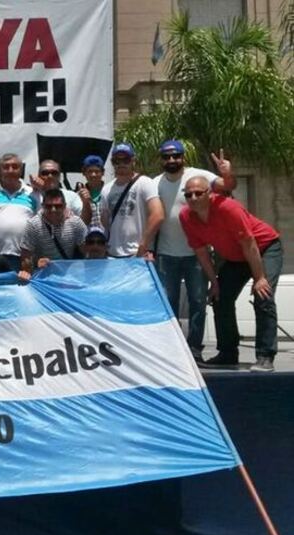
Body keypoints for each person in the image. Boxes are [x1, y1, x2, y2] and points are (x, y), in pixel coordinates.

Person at [179, 175, 282, 372]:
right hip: (236, 258)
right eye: (188, 194)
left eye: (198, 193)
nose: (193, 198)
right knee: (220, 298)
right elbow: (201, 253)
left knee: (263, 296)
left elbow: (249, 243)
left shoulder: (228, 208)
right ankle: (228, 353)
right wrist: (214, 283)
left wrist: (259, 278)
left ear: (210, 194)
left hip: (264, 248)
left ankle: (265, 356)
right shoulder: (186, 216)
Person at [153, 139, 236, 362]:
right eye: (167, 157)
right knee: (167, 303)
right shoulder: (155, 183)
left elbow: (227, 187)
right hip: (166, 255)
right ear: (161, 160)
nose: (171, 160)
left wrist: (227, 173)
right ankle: (173, 349)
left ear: (183, 158)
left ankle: (195, 349)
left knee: (198, 302)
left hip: (196, 255)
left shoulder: (199, 176)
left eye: (176, 156)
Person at [100, 144, 163, 259]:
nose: (121, 164)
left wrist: (143, 246)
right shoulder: (106, 189)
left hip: (138, 254)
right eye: (117, 161)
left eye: (125, 160)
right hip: (112, 254)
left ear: (133, 160)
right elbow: (105, 222)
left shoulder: (145, 183)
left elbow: (158, 215)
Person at [19, 189, 87, 281]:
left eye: (58, 206)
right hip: (43, 275)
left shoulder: (75, 223)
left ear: (64, 206)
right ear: (42, 206)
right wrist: (35, 263)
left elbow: (86, 252)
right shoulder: (33, 225)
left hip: (69, 276)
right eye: (48, 206)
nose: (53, 210)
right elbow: (26, 256)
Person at [77, 155, 107, 227]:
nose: (93, 175)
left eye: (97, 171)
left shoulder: (109, 192)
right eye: (90, 171)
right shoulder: (78, 196)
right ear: (84, 173)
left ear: (103, 173)